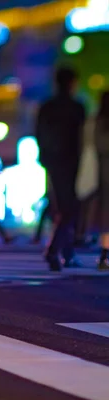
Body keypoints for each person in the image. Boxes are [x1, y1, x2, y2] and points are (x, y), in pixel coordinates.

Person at [35, 67, 86, 271]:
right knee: (70, 208)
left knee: (62, 206)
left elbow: (39, 133)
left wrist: (45, 157)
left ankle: (64, 251)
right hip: (72, 162)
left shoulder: (47, 107)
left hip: (53, 162)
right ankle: (55, 250)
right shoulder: (76, 107)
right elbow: (82, 138)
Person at [94, 91, 109, 270]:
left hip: (102, 175)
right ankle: (104, 255)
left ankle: (104, 254)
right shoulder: (102, 124)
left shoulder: (96, 123)